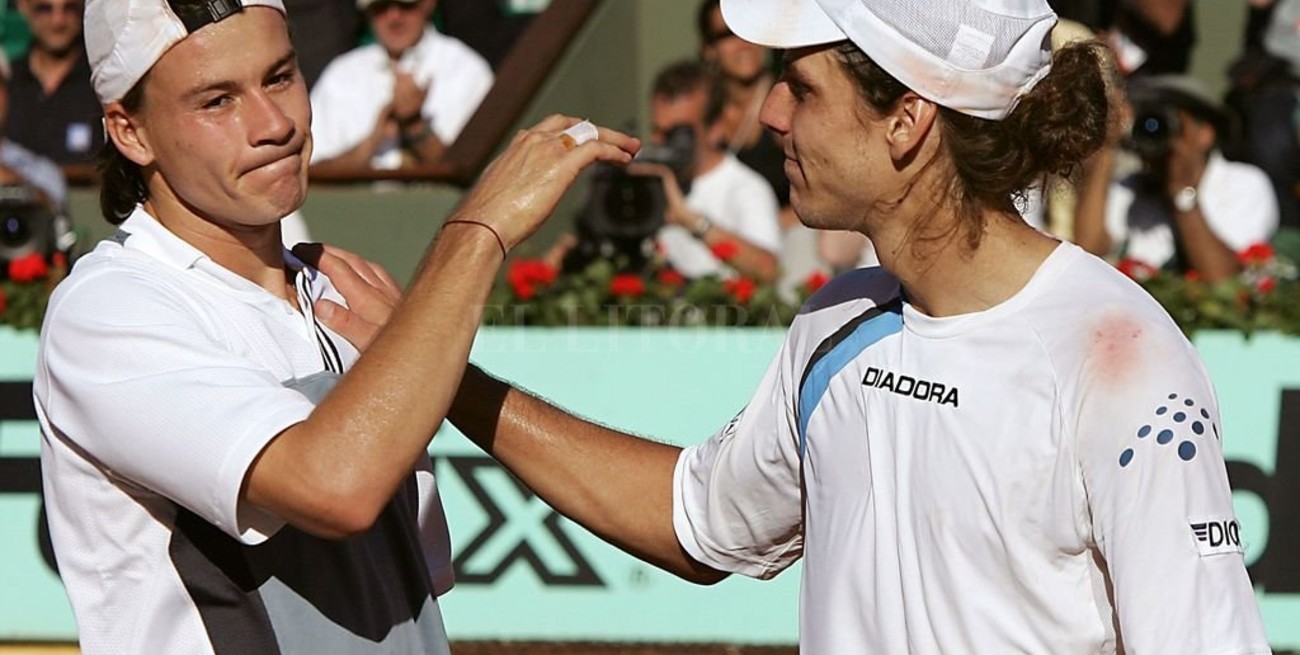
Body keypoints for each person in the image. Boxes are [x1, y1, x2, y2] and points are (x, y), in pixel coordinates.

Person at [320, 0, 1271, 652]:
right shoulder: (838, 319)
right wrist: (433, 366)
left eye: (802, 86)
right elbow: (695, 521)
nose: (770, 113)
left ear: (907, 120)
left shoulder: (1125, 362)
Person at [35, 1, 634, 653]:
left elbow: (405, 603)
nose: (273, 124)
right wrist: (479, 230)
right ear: (129, 131)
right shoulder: (111, 309)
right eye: (217, 101)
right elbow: (336, 486)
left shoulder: (341, 289)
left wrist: (426, 360)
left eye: (280, 76)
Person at [1075, 74, 1278, 282]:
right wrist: (1109, 147)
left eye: (1172, 124)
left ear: (1205, 134)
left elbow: (1223, 279)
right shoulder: (1133, 185)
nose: (1161, 134)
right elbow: (1089, 248)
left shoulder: (1244, 184)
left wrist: (1182, 193)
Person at [308, 0, 494, 171]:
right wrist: (373, 141)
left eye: (405, 5)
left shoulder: (467, 70)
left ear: (428, 4)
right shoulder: (341, 75)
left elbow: (478, 175)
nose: (394, 17)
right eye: (380, 7)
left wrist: (414, 124)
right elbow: (310, 175)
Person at [4, 0, 104, 164]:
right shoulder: (7, 83)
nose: (58, 21)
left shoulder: (102, 83)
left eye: (70, 8)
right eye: (44, 9)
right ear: (23, 7)